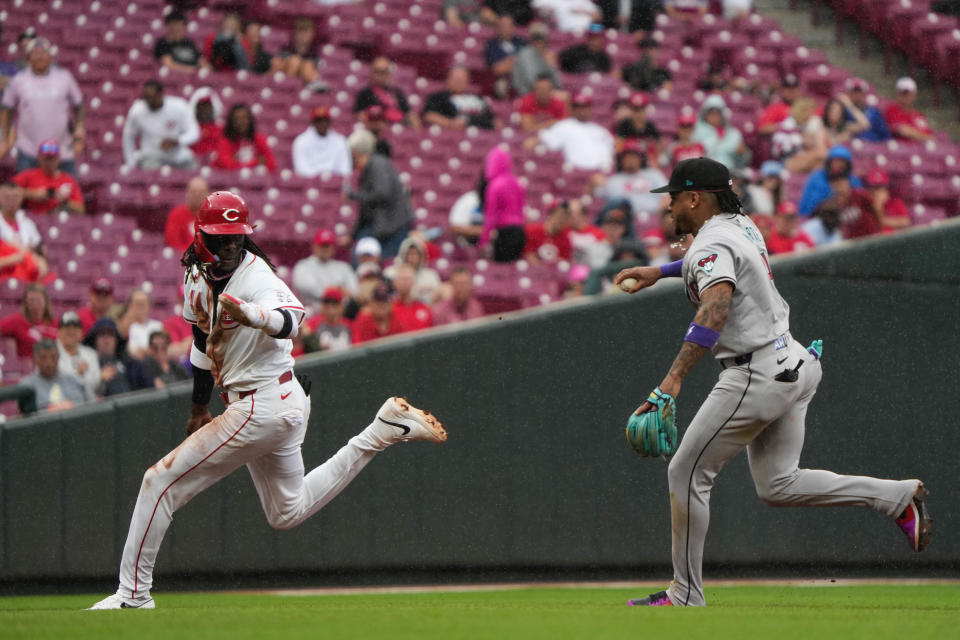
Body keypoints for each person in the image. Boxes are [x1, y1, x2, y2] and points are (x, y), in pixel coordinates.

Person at [88, 191, 447, 609]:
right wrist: (199, 408)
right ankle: (380, 432)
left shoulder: (257, 277)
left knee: (159, 482)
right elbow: (202, 342)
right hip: (273, 399)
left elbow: (293, 320)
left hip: (262, 404)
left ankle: (133, 595)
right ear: (200, 235)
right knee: (286, 512)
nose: (229, 246)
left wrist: (255, 316)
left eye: (236, 237)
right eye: (220, 237)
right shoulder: (193, 274)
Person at [614, 157, 931, 608]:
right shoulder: (738, 223)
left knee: (686, 472)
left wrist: (671, 381)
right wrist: (660, 272)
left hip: (754, 373)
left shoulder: (712, 241)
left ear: (693, 198)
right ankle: (895, 497)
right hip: (794, 361)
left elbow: (715, 307)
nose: (668, 207)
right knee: (778, 485)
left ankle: (684, 593)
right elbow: (715, 262)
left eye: (672, 197)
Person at [0, 36, 85, 175]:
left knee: (69, 191)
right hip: (29, 150)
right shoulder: (18, 80)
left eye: (43, 53)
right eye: (35, 53)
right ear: (28, 58)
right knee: (27, 192)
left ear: (50, 56)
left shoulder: (64, 77)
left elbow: (79, 105)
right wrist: (4, 140)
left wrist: (80, 127)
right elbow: (7, 109)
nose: (39, 57)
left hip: (61, 151)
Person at [346, 130, 413, 260]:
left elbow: (382, 193)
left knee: (383, 263)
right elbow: (366, 208)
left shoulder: (377, 164)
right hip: (383, 226)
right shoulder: (371, 166)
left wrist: (353, 195)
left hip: (394, 228)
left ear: (356, 152)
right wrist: (352, 235)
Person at [122, 80, 199, 170]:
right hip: (151, 157)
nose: (148, 101)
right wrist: (130, 163)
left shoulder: (179, 106)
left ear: (160, 94)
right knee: (147, 172)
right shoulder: (137, 111)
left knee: (193, 169)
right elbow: (128, 136)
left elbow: (194, 133)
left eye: (151, 97)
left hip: (178, 156)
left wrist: (177, 141)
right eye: (145, 97)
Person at [536, 91, 614, 172]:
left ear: (590, 109)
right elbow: (544, 138)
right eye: (578, 107)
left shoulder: (601, 131)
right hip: (575, 171)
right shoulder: (564, 125)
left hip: (601, 171)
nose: (581, 110)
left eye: (584, 107)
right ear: (572, 110)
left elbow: (612, 151)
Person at [594, 140, 668, 220]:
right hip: (625, 221)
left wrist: (657, 217)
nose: (631, 159)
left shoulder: (654, 174)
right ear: (621, 159)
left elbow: (667, 197)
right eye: (627, 156)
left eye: (634, 156)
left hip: (654, 217)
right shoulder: (614, 180)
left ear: (641, 158)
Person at [480, 146, 527, 262]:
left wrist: (484, 239)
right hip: (520, 231)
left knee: (501, 266)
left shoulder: (494, 185)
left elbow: (491, 215)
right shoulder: (517, 182)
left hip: (505, 232)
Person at [12, 140, 85, 215]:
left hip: (57, 219)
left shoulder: (69, 180)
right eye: (46, 158)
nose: (49, 162)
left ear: (58, 159)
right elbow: (6, 190)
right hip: (33, 218)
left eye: (52, 158)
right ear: (39, 158)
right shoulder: (28, 175)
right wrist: (33, 194)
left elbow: (81, 210)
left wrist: (64, 202)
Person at [292, 228, 358, 308]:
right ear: (314, 246)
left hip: (340, 310)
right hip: (312, 308)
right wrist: (338, 290)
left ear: (333, 248)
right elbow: (305, 287)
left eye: (327, 246)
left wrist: (329, 290)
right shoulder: (303, 265)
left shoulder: (343, 267)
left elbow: (354, 292)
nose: (325, 249)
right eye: (322, 245)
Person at [87, 316, 152, 396]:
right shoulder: (89, 363)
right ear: (94, 340)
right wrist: (100, 379)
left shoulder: (129, 362)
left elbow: (149, 386)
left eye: (110, 335)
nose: (106, 340)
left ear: (116, 340)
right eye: (102, 335)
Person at [20, 339, 89, 412]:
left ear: (58, 357)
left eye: (53, 357)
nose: (49, 362)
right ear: (35, 360)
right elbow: (25, 416)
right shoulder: (27, 386)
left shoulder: (74, 380)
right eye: (43, 358)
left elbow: (93, 405)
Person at [841, 168, 911, 239]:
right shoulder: (864, 204)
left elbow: (905, 222)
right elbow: (874, 226)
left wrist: (882, 218)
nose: (875, 192)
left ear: (886, 188)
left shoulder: (895, 202)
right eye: (872, 187)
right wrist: (877, 206)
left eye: (880, 187)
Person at [422, 66, 497, 130]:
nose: (459, 82)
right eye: (456, 79)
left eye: (462, 79)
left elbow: (494, 121)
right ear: (448, 79)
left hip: (481, 137)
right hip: (452, 136)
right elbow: (428, 116)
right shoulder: (438, 97)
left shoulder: (478, 97)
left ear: (467, 81)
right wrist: (450, 123)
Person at [353, 57, 420, 129]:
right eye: (377, 71)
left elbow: (410, 114)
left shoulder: (397, 92)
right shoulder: (364, 94)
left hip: (399, 129)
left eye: (384, 71)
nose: (380, 75)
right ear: (371, 73)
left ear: (389, 73)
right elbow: (361, 116)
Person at [0, 179, 48, 275]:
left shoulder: (28, 224)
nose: (11, 201)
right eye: (7, 197)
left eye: (15, 197)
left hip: (27, 271)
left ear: (21, 198)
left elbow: (40, 250)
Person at [798, 145, 862, 216]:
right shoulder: (817, 178)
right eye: (835, 161)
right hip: (820, 218)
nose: (837, 164)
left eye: (841, 161)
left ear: (847, 165)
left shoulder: (853, 181)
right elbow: (808, 206)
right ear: (829, 162)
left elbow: (859, 206)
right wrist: (833, 193)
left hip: (846, 217)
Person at [212, 103, 277, 172]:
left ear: (250, 120)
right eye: (236, 119)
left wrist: (238, 162)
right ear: (231, 122)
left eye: (244, 118)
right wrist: (256, 162)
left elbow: (272, 164)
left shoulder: (259, 139)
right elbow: (228, 166)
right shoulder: (224, 141)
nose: (241, 122)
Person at [770, 96, 827, 174]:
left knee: (821, 161)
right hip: (787, 160)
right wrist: (802, 140)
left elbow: (816, 144)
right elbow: (779, 149)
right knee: (820, 154)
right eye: (809, 111)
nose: (812, 113)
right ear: (801, 110)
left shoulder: (811, 123)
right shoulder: (787, 124)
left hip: (804, 158)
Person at [0, 282, 58, 358]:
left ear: (46, 301)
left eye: (39, 300)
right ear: (25, 303)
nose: (35, 305)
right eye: (31, 300)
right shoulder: (17, 320)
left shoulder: (55, 322)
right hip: (26, 366)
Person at [692, 95, 750, 170]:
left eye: (718, 113)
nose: (714, 116)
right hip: (704, 173)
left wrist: (742, 154)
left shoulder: (734, 134)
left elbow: (742, 163)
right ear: (705, 114)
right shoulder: (695, 132)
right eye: (711, 113)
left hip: (729, 174)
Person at [292, 106, 352, 178]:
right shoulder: (301, 141)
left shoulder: (340, 140)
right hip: (310, 182)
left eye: (324, 120)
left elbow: (345, 168)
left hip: (335, 182)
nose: (322, 124)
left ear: (330, 122)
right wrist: (319, 177)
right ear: (313, 123)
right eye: (318, 121)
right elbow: (301, 168)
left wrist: (330, 177)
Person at [384, 235, 442, 304]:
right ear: (402, 255)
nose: (412, 258)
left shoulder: (431, 276)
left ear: (421, 256)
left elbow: (439, 298)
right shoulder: (390, 273)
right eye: (409, 254)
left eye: (415, 254)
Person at [56, 310, 100, 398]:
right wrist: (77, 373)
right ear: (59, 332)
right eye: (67, 328)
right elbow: (56, 383)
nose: (71, 332)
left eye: (75, 328)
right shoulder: (51, 353)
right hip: (62, 402)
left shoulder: (90, 354)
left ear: (81, 333)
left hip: (88, 401)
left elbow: (96, 383)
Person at [510, 22, 560, 97]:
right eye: (536, 38)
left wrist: (552, 66)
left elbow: (558, 84)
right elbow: (531, 82)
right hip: (525, 93)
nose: (539, 42)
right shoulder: (525, 54)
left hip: (543, 92)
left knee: (562, 97)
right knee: (562, 97)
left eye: (542, 38)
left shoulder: (547, 54)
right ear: (531, 39)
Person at [271, 17, 323, 89]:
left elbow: (314, 70)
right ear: (295, 33)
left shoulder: (315, 52)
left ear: (312, 34)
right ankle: (286, 88)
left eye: (307, 32)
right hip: (284, 79)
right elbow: (276, 66)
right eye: (301, 32)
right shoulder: (286, 49)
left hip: (303, 83)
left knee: (307, 66)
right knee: (294, 61)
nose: (303, 36)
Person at [485, 14, 526, 98]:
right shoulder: (492, 45)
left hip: (522, 76)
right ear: (497, 28)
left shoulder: (521, 42)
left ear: (513, 28)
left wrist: (508, 63)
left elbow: (527, 62)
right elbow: (497, 69)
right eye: (502, 26)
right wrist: (515, 62)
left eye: (508, 26)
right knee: (501, 86)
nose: (505, 28)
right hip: (502, 79)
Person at [116, 288, 164, 360]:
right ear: (130, 305)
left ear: (149, 305)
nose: (141, 307)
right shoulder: (124, 327)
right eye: (138, 303)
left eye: (143, 303)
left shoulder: (157, 326)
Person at [165, 177, 209, 253]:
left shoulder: (214, 216)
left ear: (208, 194)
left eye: (201, 192)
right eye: (193, 192)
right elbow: (172, 243)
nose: (197, 195)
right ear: (187, 193)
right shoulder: (177, 214)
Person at [302, 286, 352, 352]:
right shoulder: (314, 323)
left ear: (341, 306)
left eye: (334, 304)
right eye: (327, 303)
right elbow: (304, 331)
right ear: (322, 305)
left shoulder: (349, 325)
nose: (330, 308)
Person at [884, 77, 933, 143]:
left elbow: (930, 137)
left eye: (908, 93)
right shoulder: (892, 110)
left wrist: (914, 133)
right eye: (903, 93)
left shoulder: (918, 115)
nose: (905, 96)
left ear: (914, 95)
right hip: (900, 150)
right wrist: (920, 136)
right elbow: (902, 131)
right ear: (897, 93)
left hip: (919, 151)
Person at [523, 198, 572, 265]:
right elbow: (528, 256)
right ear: (550, 215)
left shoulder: (566, 239)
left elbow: (564, 262)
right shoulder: (532, 231)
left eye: (566, 217)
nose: (562, 220)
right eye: (559, 215)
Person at [389, 263, 433, 331]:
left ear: (413, 282)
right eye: (401, 279)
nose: (404, 282)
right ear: (394, 282)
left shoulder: (424, 308)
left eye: (408, 279)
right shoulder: (388, 309)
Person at [844, 78, 889, 143]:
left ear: (864, 94)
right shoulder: (843, 110)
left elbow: (885, 136)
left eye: (859, 92)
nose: (856, 95)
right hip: (850, 146)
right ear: (848, 93)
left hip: (872, 146)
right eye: (853, 91)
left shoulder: (873, 112)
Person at [449, 171, 487, 244]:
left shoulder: (505, 202)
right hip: (470, 245)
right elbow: (456, 227)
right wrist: (486, 232)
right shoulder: (470, 199)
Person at [189, 88, 224, 163]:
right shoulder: (189, 128)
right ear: (196, 109)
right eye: (201, 106)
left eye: (207, 106)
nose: (204, 110)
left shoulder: (222, 128)